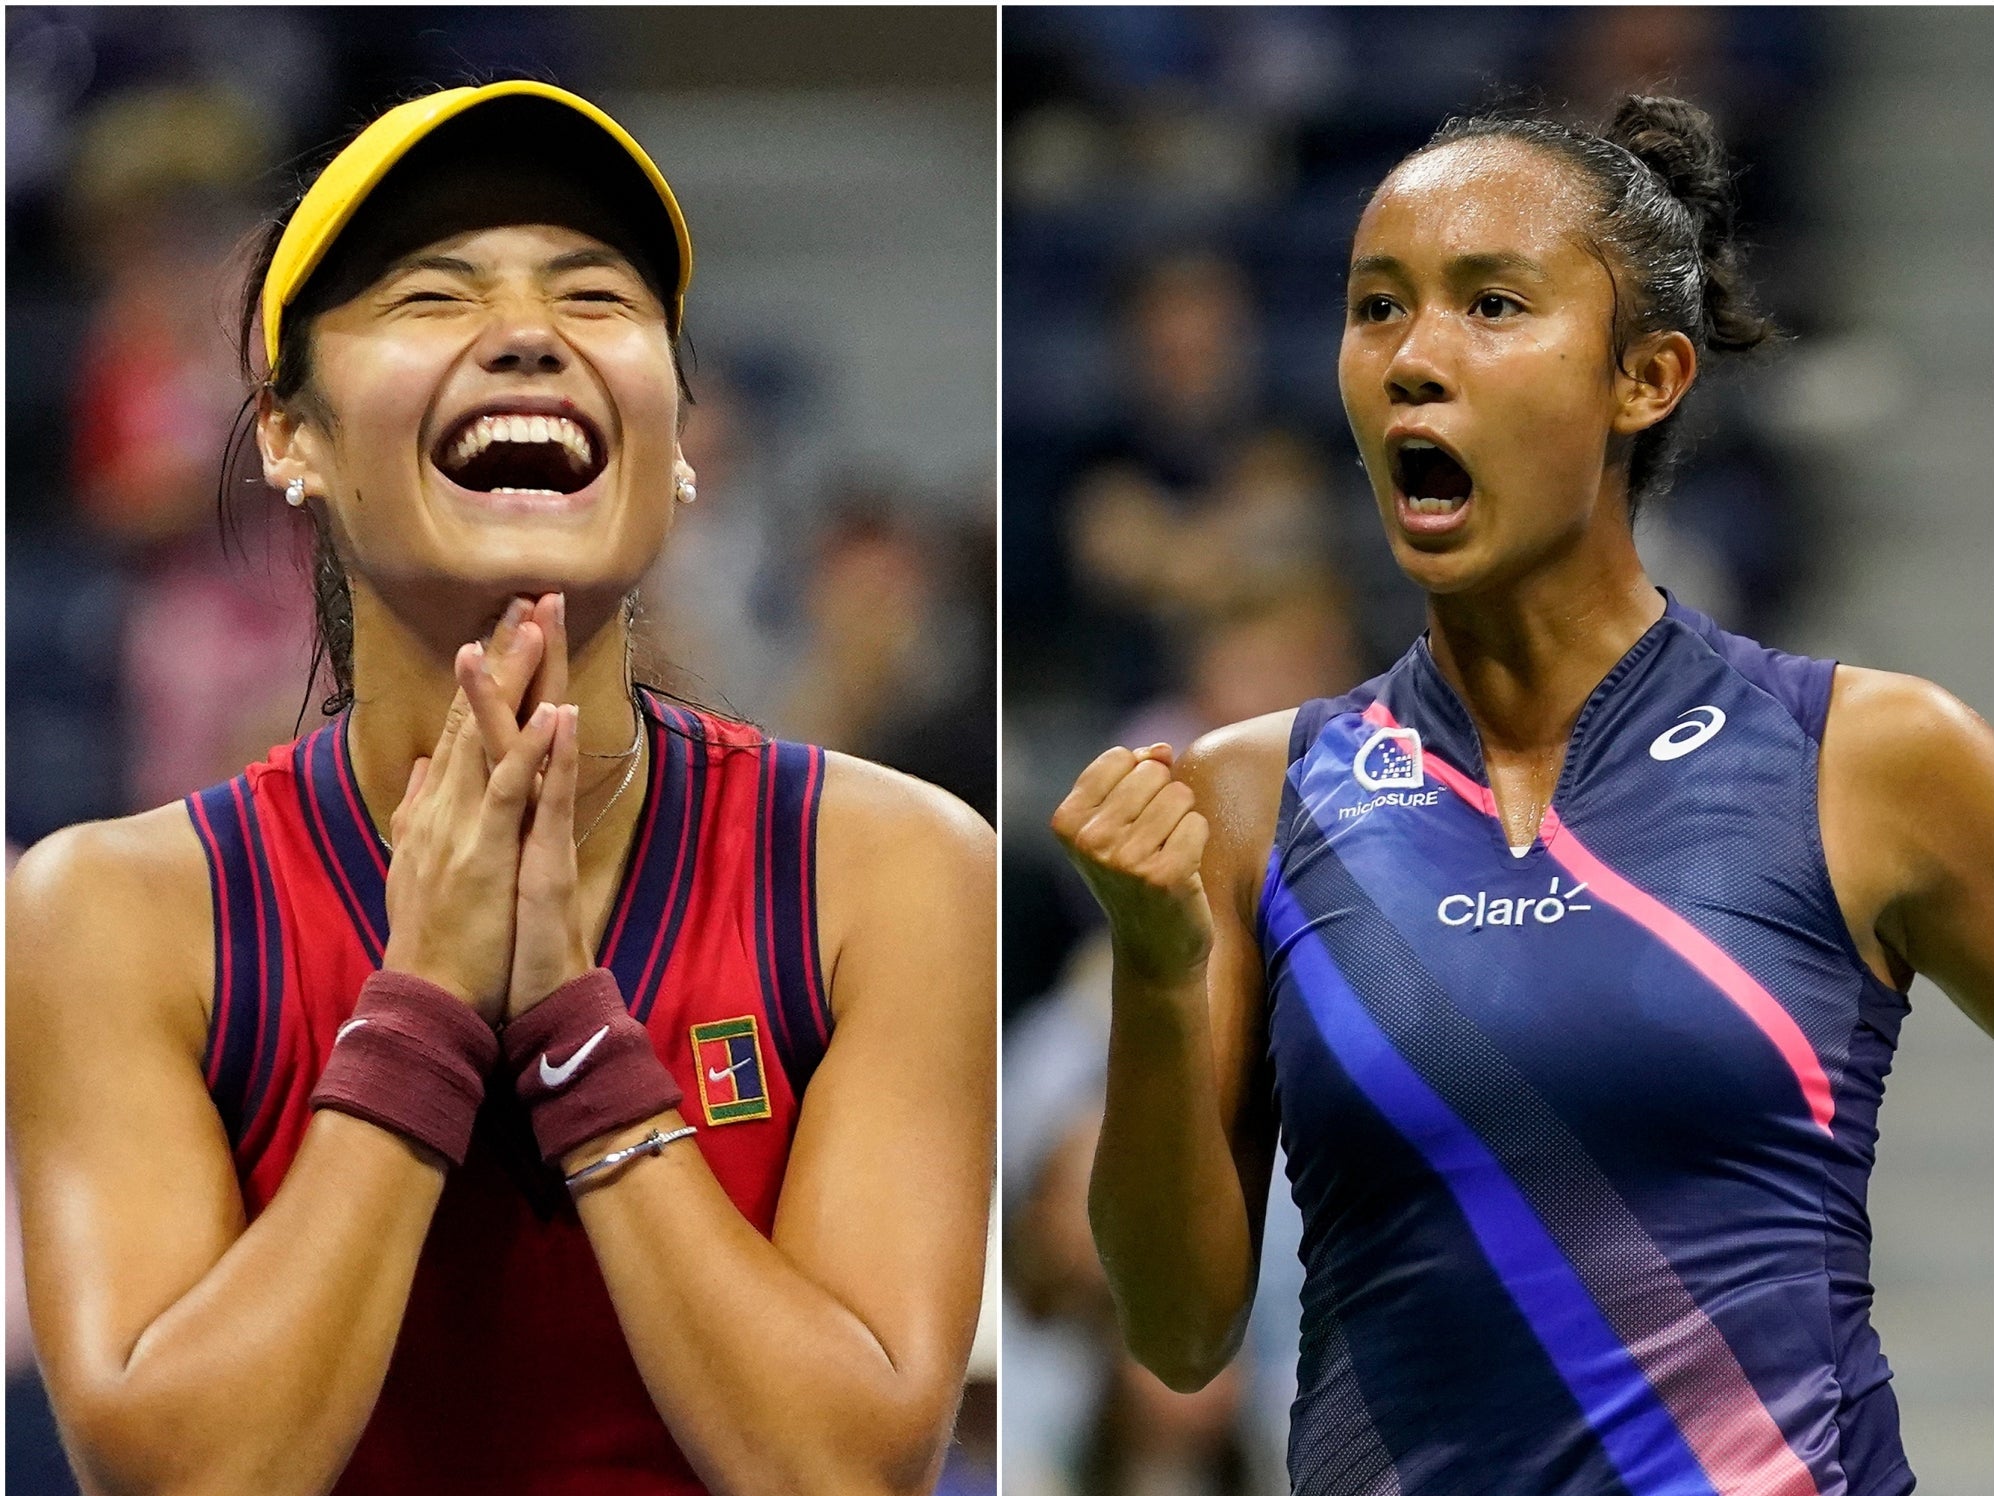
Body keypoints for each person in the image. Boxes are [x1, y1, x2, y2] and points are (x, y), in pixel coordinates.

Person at [8, 81, 994, 1496]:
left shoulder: (891, 866)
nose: (528, 334)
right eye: (432, 295)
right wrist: (421, 1010)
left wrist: (569, 1021)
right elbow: (181, 1479)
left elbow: (843, 1472)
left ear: (678, 443)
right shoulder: (112, 911)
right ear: (289, 436)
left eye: (597, 297)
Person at [1054, 95, 1994, 1495]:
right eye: (1376, 308)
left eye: (1491, 305)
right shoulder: (1250, 793)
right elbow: (1181, 1332)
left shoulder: (1869, 756)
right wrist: (1152, 963)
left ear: (1645, 378)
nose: (1413, 359)